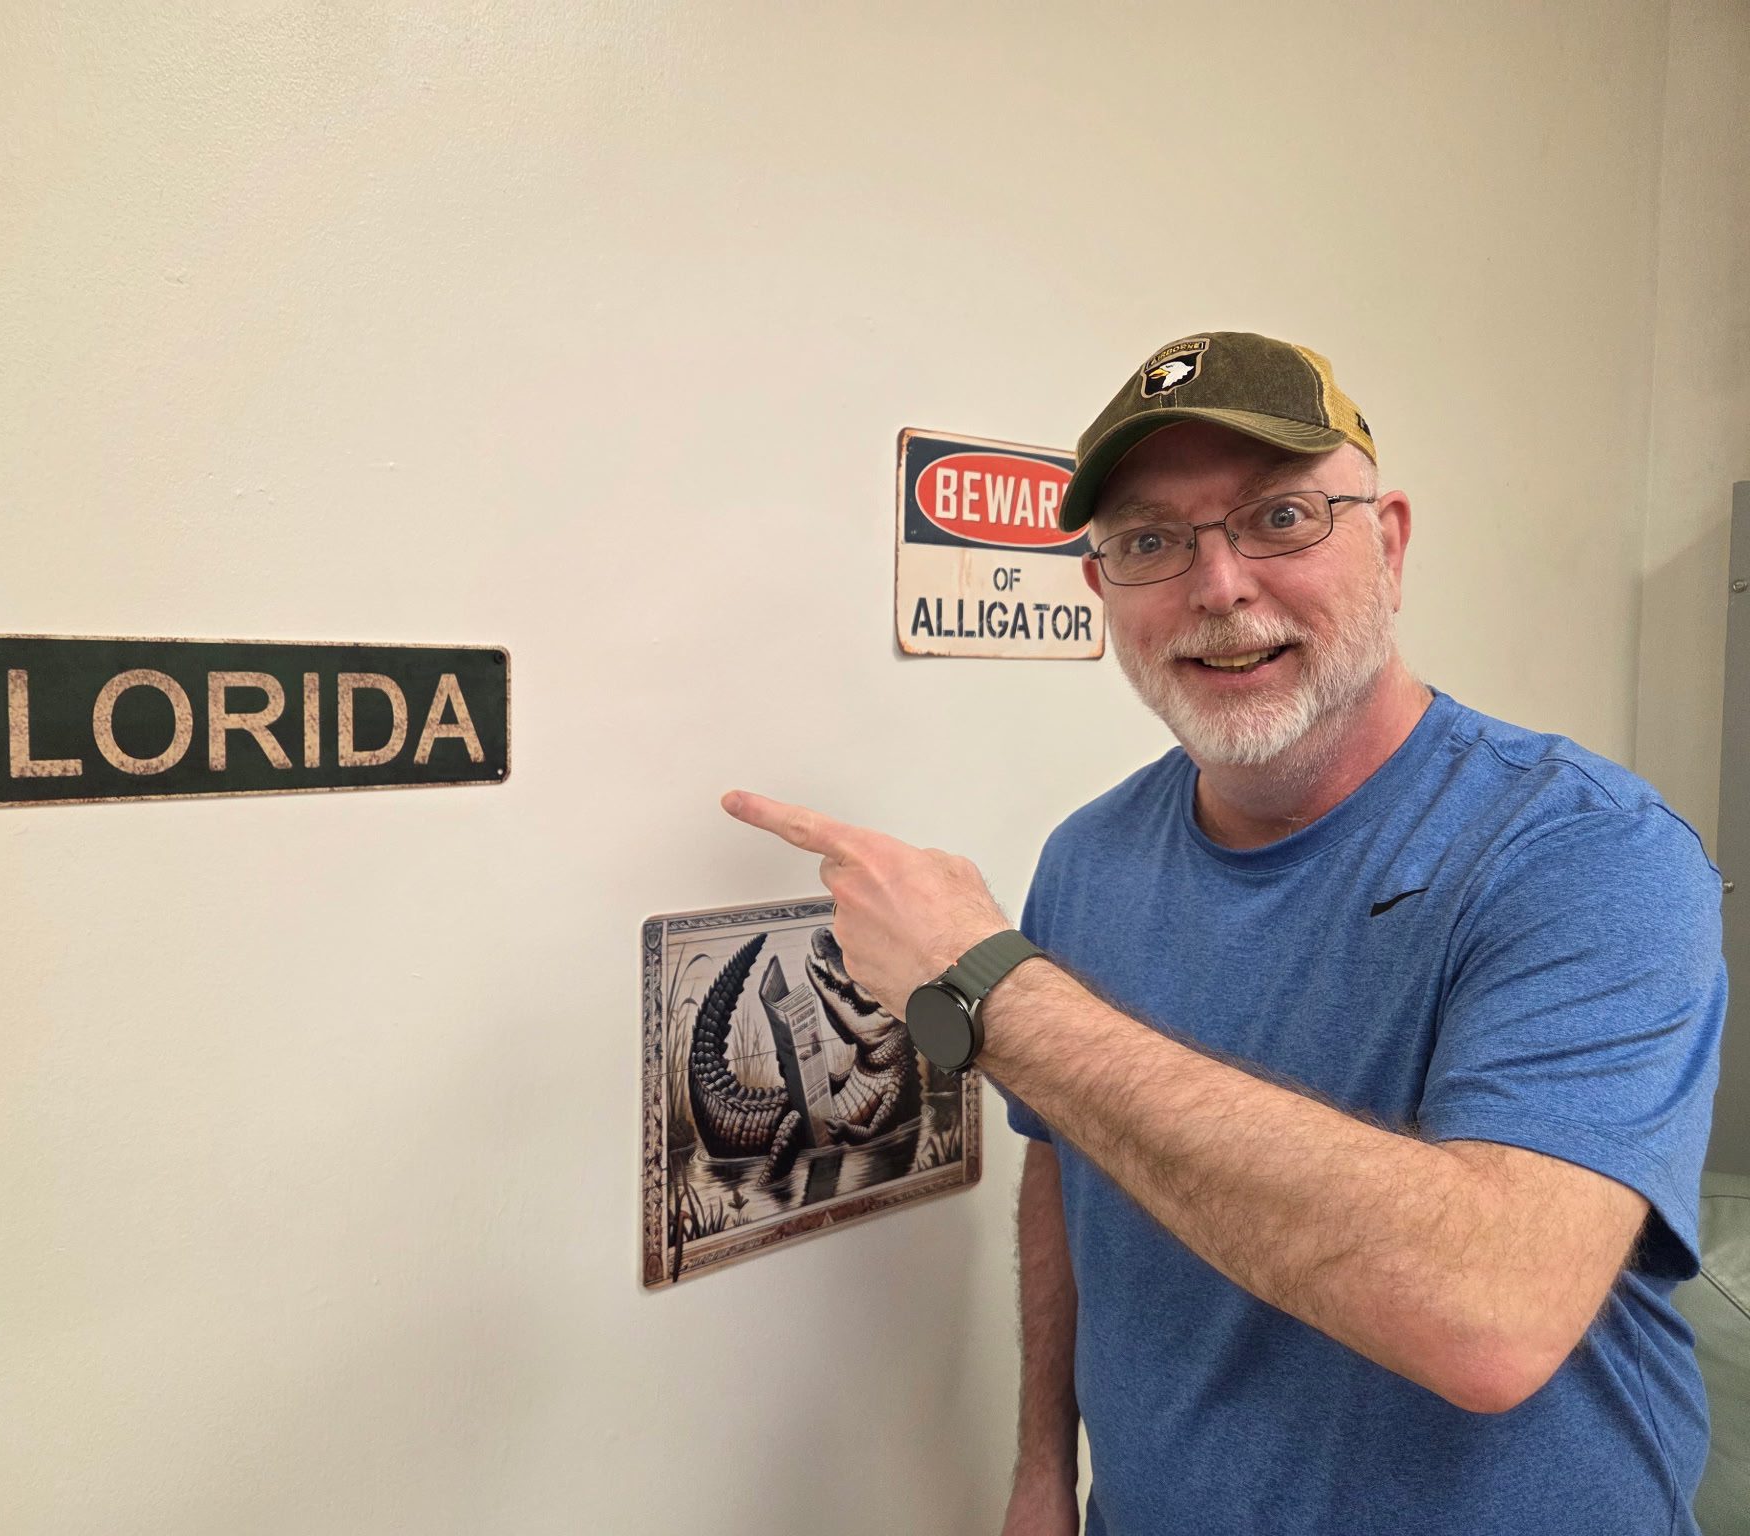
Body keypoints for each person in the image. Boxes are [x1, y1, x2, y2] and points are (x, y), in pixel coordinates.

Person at [722, 330, 1725, 1535]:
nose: (1218, 588)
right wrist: (1042, 1468)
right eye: (1149, 542)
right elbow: (1065, 1161)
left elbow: (1487, 1316)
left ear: (1389, 542)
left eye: (1280, 518)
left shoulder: (1582, 851)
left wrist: (986, 983)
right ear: (1102, 593)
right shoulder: (1089, 857)